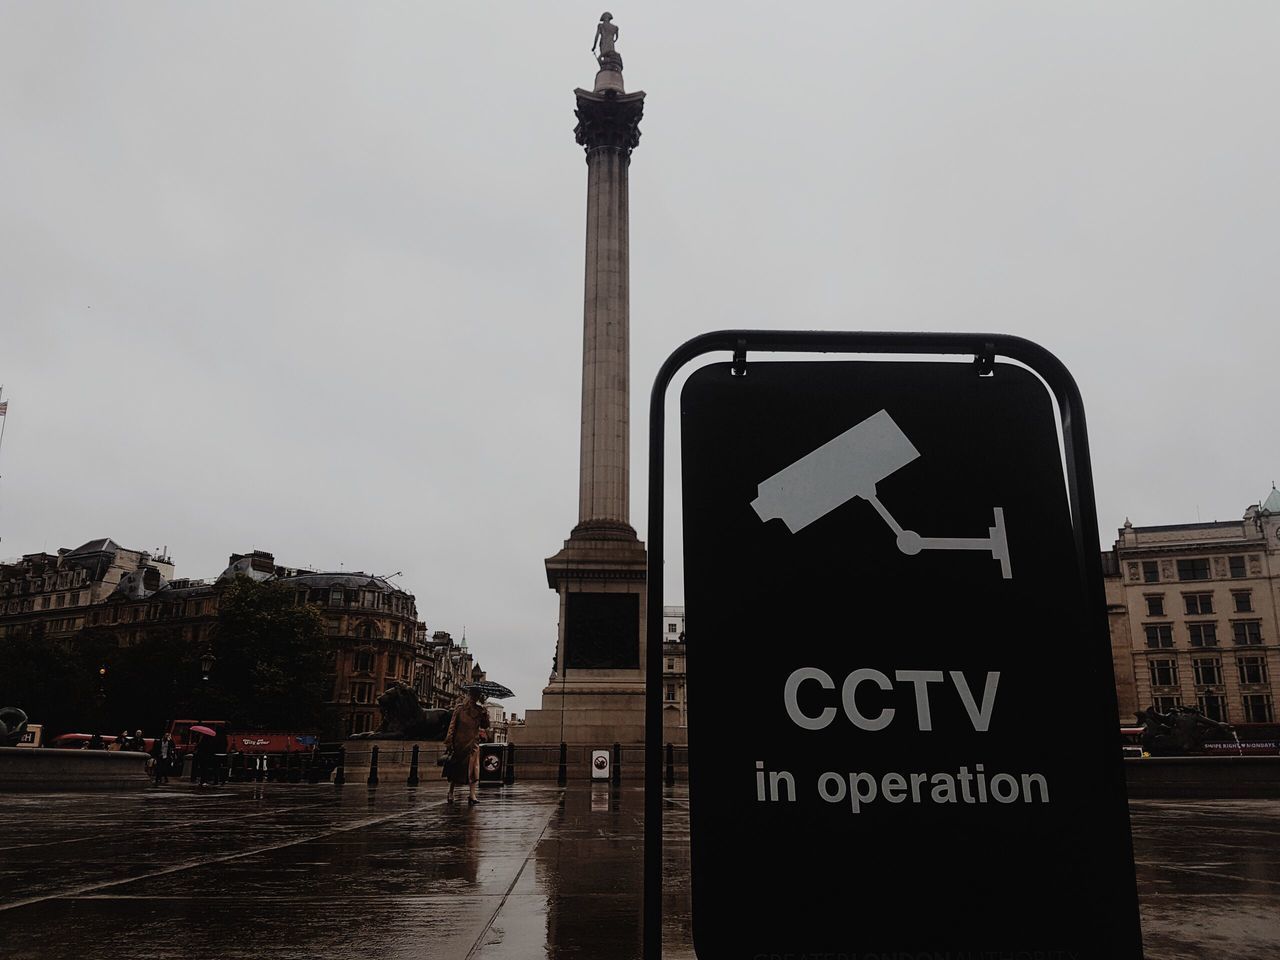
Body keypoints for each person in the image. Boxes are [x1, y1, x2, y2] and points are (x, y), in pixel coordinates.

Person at [442, 687, 490, 805]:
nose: (475, 698)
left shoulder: (480, 711)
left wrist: (485, 715)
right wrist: (449, 742)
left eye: (477, 696)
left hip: (473, 743)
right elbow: (452, 726)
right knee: (456, 770)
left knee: (473, 770)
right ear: (469, 695)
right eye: (474, 696)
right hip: (460, 743)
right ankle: (451, 792)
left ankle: (472, 794)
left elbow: (485, 725)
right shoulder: (459, 709)